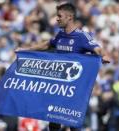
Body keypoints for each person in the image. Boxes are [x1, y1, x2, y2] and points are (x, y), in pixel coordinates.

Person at [16, 3, 110, 131]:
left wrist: (103, 56)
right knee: (53, 123)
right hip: (58, 88)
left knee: (72, 124)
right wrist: (26, 50)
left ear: (70, 17)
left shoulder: (81, 36)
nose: (57, 18)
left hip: (73, 90)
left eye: (60, 16)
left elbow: (98, 48)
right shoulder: (60, 35)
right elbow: (47, 45)